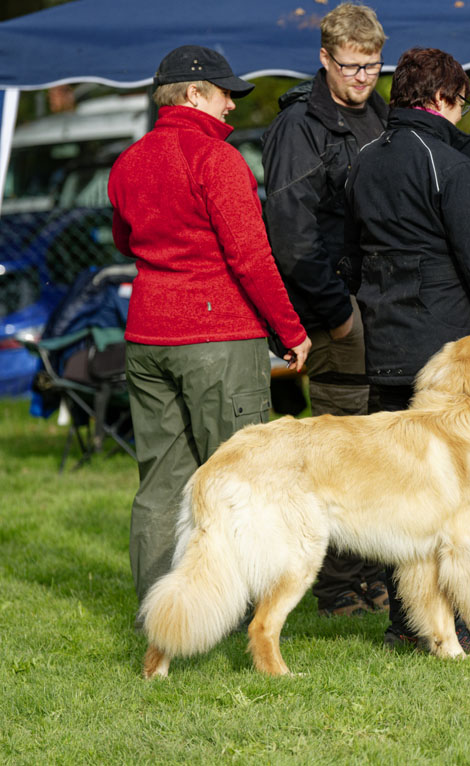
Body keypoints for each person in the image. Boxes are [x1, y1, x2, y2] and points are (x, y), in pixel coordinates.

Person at [345, 47, 470, 650]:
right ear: (442, 99)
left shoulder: (362, 160)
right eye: (461, 103)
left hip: (382, 343)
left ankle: (405, 624)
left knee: (399, 498)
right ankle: (453, 624)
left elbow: (347, 254)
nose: (462, 116)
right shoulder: (451, 166)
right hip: (447, 361)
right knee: (458, 507)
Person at [108, 45, 311, 618]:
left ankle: (160, 615)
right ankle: (249, 619)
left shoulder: (127, 163)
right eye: (225, 93)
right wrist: (289, 330)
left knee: (160, 484)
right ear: (193, 94)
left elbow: (127, 243)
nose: (231, 105)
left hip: (148, 336)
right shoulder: (218, 161)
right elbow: (251, 257)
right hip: (218, 337)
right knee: (244, 479)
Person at [262, 2, 389, 619]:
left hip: (379, 304)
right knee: (339, 449)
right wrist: (336, 312)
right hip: (335, 310)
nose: (363, 78)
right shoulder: (300, 127)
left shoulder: (378, 117)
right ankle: (337, 586)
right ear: (324, 58)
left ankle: (369, 575)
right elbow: (290, 234)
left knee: (373, 445)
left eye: (373, 66)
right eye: (351, 66)